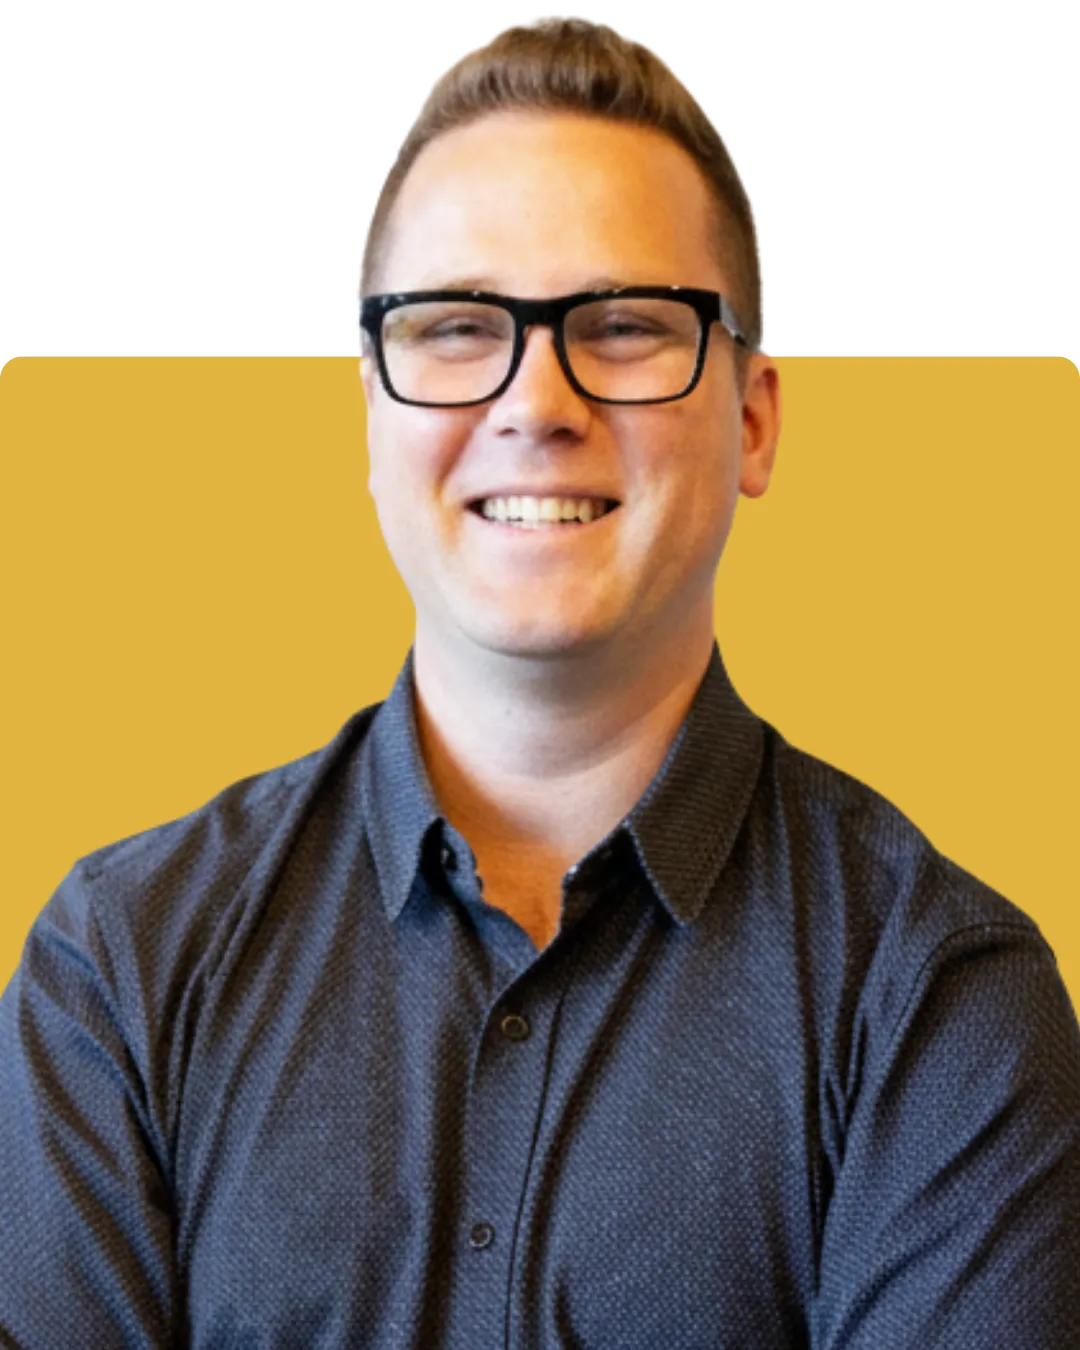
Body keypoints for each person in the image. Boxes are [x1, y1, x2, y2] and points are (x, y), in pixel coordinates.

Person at [2, 14, 1078, 1348]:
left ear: (753, 421)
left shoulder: (940, 996)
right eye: (458, 327)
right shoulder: (119, 965)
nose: (536, 401)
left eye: (624, 326)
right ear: (372, 414)